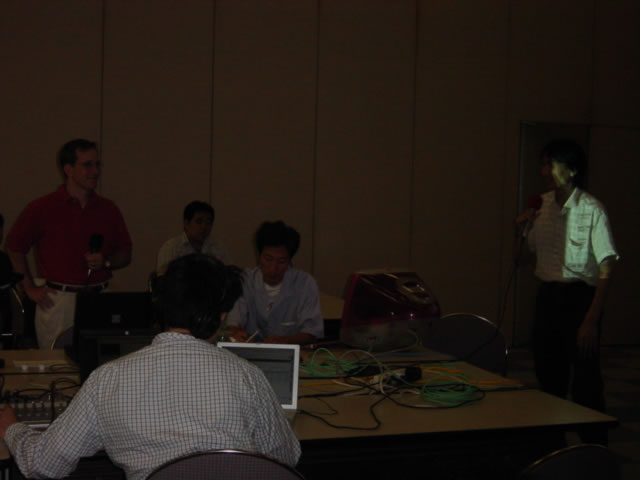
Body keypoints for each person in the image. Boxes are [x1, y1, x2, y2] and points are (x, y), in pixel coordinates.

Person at [0, 254, 301, 479]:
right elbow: (286, 458)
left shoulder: (108, 379)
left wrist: (11, 428)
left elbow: (44, 464)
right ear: (221, 317)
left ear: (159, 306)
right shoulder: (247, 376)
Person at [520, 139, 619, 444]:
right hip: (548, 297)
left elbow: (606, 267)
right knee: (549, 378)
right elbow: (521, 258)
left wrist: (591, 318)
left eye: (552, 164)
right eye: (543, 163)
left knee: (586, 383)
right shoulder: (540, 206)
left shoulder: (592, 209)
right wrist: (520, 228)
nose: (545, 171)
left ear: (572, 170)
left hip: (580, 300)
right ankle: (552, 448)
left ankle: (595, 451)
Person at [6, 139, 132, 349]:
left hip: (100, 297)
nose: (95, 171)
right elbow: (14, 247)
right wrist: (29, 288)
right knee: (56, 362)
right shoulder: (43, 207)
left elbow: (126, 253)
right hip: (59, 300)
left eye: (97, 164)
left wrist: (106, 262)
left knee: (102, 360)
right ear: (68, 169)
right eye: (87, 165)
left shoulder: (108, 209)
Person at [226, 221, 323, 344]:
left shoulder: (305, 284)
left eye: (281, 261)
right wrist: (236, 333)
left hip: (291, 351)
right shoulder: (245, 281)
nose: (273, 268)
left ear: (290, 261)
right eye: (268, 259)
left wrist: (285, 340)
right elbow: (232, 324)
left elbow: (312, 333)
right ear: (259, 257)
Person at [156, 200, 231, 275]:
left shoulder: (218, 248)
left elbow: (230, 275)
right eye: (199, 222)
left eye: (208, 222)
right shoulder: (171, 248)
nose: (204, 227)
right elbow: (162, 278)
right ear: (186, 224)